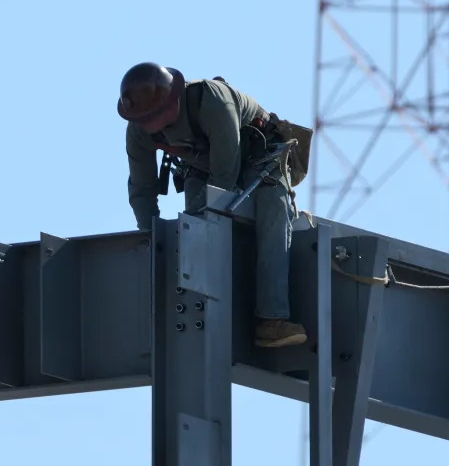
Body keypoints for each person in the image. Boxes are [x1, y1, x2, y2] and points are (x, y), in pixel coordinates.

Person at [117, 61, 307, 348]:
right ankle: (192, 308)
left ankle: (271, 319)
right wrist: (152, 236)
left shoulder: (211, 101)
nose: (146, 124)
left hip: (257, 154)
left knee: (272, 211)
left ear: (171, 103)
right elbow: (142, 190)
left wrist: (205, 217)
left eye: (151, 116)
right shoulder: (139, 131)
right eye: (142, 118)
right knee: (194, 225)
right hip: (203, 165)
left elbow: (224, 179)